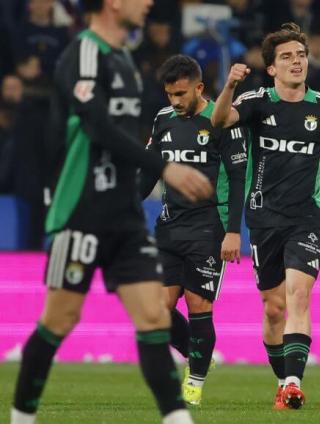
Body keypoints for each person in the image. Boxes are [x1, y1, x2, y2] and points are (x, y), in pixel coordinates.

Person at [10, 1, 213, 424]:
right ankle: (21, 418)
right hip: (81, 212)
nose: (149, 4)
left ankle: (177, 418)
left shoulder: (124, 58)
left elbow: (119, 137)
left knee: (154, 316)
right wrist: (163, 167)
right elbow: (96, 125)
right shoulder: (83, 53)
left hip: (124, 218)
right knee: (59, 319)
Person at [211, 22, 320, 410]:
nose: (297, 62)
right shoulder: (258, 101)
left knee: (299, 295)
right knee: (273, 307)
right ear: (272, 68)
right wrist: (229, 86)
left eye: (301, 55)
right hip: (263, 219)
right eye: (286, 57)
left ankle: (294, 382)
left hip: (306, 219)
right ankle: (282, 380)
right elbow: (218, 122)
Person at [139, 54, 247, 406]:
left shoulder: (222, 119)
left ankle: (195, 381)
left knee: (199, 303)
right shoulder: (162, 120)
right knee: (157, 308)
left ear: (199, 88)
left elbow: (236, 176)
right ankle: (197, 353)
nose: (174, 101)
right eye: (170, 94)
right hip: (170, 224)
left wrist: (233, 232)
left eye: (181, 94)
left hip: (208, 226)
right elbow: (150, 171)